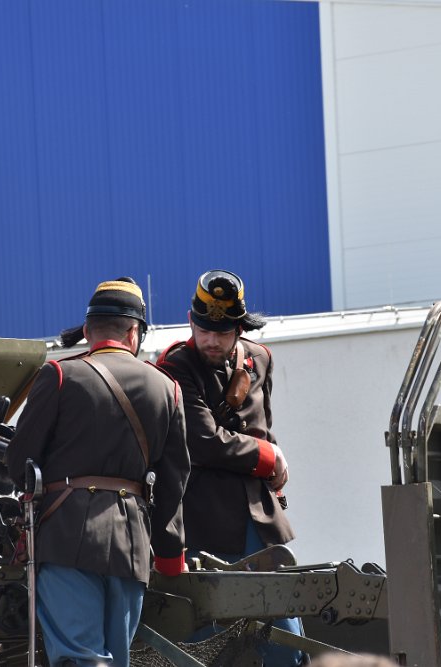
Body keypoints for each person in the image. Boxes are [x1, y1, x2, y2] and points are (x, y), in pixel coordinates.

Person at [6, 277, 189, 667]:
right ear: (134, 332)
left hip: (65, 535)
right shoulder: (168, 389)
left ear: (88, 331)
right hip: (132, 547)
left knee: (79, 658)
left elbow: (19, 461)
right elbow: (173, 484)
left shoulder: (60, 375)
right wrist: (170, 556)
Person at [157, 269, 303, 666]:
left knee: (286, 640)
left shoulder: (260, 358)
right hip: (205, 521)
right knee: (207, 642)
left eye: (222, 333)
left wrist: (272, 458)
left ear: (239, 328)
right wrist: (269, 457)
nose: (211, 340)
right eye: (204, 329)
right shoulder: (175, 367)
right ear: (191, 321)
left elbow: (262, 427)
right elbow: (202, 441)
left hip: (260, 519)